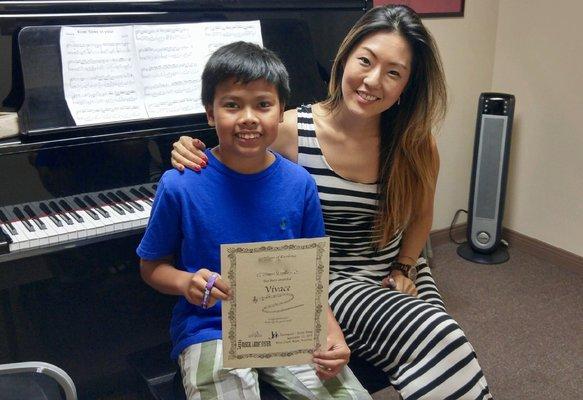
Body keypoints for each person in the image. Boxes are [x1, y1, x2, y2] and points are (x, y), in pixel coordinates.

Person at [170, 5, 494, 400]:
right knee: (435, 333)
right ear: (344, 59)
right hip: (327, 278)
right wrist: (187, 145)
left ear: (407, 85)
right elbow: (233, 141)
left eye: (394, 72)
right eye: (366, 61)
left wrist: (405, 266)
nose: (373, 80)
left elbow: (421, 218)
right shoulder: (290, 129)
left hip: (394, 268)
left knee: (440, 338)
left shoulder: (415, 141)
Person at [137, 42, 371, 400]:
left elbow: (311, 276)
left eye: (263, 104)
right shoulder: (180, 183)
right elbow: (151, 267)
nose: (248, 117)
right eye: (232, 104)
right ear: (210, 113)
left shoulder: (299, 183)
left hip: (288, 324)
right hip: (210, 327)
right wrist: (186, 283)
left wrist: (332, 332)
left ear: (281, 113)